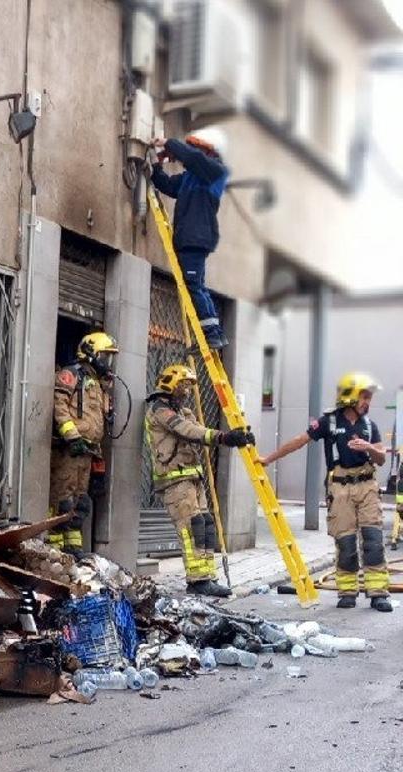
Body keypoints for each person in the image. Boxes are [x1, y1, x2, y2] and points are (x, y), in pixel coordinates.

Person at [259, 373, 391, 611]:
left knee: (373, 540)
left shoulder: (370, 426)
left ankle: (378, 594)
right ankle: (348, 592)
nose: (368, 402)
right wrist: (268, 459)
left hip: (367, 487)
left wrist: (369, 447)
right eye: (365, 397)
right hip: (340, 489)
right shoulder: (329, 422)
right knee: (346, 542)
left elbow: (381, 459)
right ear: (351, 396)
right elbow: (299, 441)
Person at [145, 363, 254, 597]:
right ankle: (196, 580)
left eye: (188, 386)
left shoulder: (183, 412)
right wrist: (223, 437)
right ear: (170, 384)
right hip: (174, 481)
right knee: (191, 529)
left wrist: (237, 437)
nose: (186, 391)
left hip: (192, 477)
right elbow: (187, 431)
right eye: (183, 385)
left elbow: (197, 428)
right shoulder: (159, 410)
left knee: (205, 524)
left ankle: (206, 576)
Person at [151, 127, 230, 350]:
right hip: (190, 239)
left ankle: (212, 334)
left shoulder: (215, 173)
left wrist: (169, 143)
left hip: (195, 238)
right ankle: (213, 333)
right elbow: (165, 184)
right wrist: (157, 164)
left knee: (194, 285)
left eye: (196, 148)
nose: (190, 152)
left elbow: (193, 158)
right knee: (197, 285)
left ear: (209, 152)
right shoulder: (190, 179)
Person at [49, 332, 117, 558]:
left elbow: (101, 416)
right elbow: (60, 405)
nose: (108, 363)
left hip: (88, 450)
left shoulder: (98, 384)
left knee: (81, 501)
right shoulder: (71, 375)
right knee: (63, 499)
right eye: (105, 357)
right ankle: (55, 549)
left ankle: (73, 548)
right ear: (91, 353)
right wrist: (72, 436)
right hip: (70, 449)